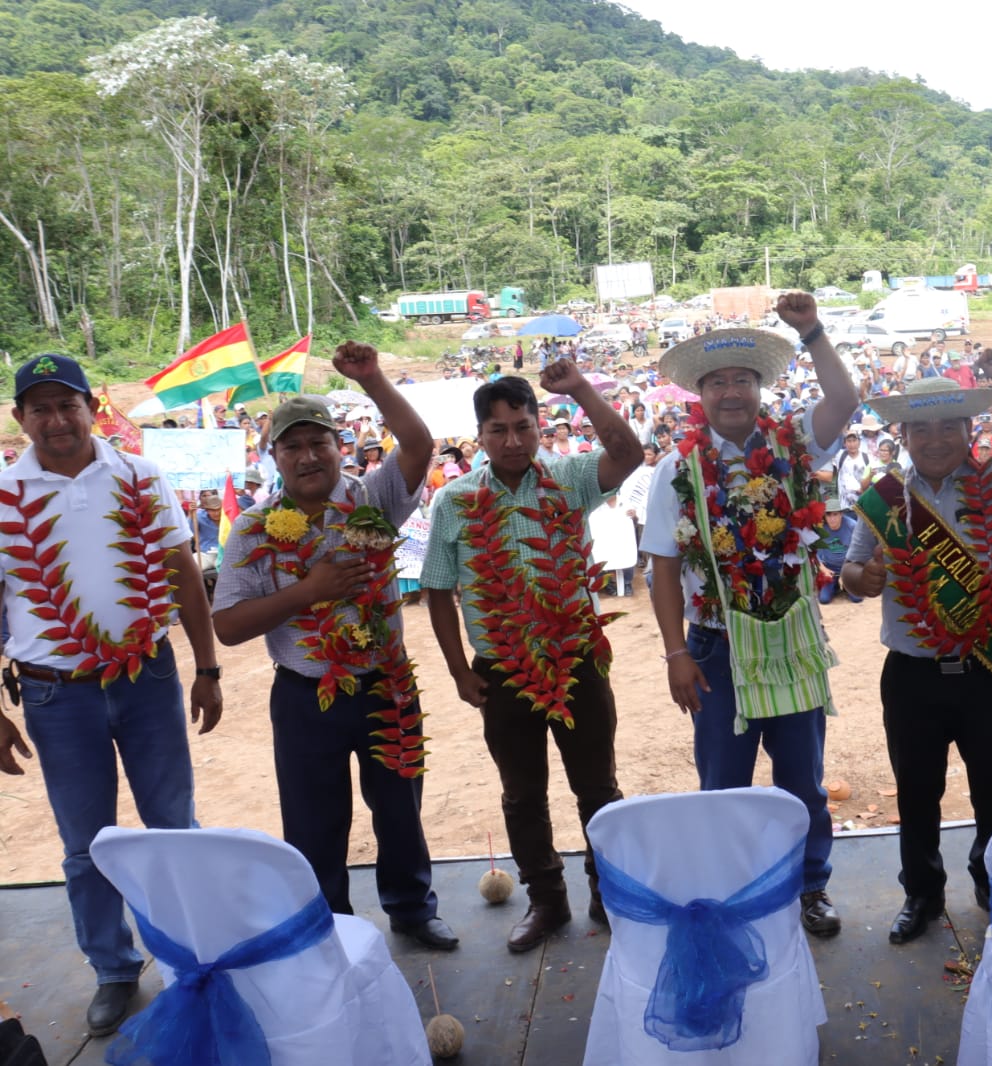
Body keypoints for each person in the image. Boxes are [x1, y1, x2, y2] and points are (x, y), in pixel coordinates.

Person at [0, 353, 223, 1034]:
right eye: (40, 408)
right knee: (85, 843)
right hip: (54, 695)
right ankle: (114, 969)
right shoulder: (3, 494)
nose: (56, 420)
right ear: (20, 418)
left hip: (147, 678)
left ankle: (195, 955)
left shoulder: (140, 475)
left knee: (174, 825)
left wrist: (208, 667)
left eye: (67, 404)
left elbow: (183, 570)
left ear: (92, 409)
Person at [212, 342, 458, 952]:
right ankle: (328, 928)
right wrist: (308, 591)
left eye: (318, 442)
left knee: (399, 808)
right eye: (291, 446)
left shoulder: (371, 499)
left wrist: (372, 379)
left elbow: (418, 445)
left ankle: (412, 909)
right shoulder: (252, 529)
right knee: (314, 821)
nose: (307, 456)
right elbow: (229, 626)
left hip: (385, 684)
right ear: (273, 457)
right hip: (305, 696)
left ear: (338, 445)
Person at [643, 295, 856, 939]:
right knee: (723, 785)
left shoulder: (795, 444)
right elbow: (663, 568)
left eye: (742, 379)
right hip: (715, 648)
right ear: (700, 394)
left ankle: (810, 887)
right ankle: (730, 893)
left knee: (803, 784)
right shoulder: (676, 469)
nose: (731, 392)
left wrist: (811, 331)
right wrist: (676, 653)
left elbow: (845, 400)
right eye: (717, 382)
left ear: (760, 389)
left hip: (791, 637)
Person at [422, 369, 641, 951]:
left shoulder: (570, 477)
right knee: (521, 795)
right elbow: (438, 590)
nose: (513, 441)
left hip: (576, 661)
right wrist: (458, 671)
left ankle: (610, 893)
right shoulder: (454, 499)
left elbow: (628, 453)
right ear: (478, 436)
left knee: (598, 787)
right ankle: (546, 900)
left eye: (523, 427)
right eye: (498, 430)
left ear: (540, 427)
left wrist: (581, 391)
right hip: (501, 671)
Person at [841, 355, 992, 944]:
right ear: (903, 435)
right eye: (921, 429)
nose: (935, 440)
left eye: (948, 427)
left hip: (990, 670)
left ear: (969, 430)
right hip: (912, 673)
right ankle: (921, 893)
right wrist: (864, 578)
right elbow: (851, 570)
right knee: (917, 792)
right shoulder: (884, 497)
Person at [815, 498, 860, 605]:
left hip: (848, 566)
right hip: (829, 568)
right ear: (824, 516)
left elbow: (860, 550)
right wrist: (824, 569)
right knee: (824, 599)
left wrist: (852, 570)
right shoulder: (820, 529)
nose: (832, 519)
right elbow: (814, 553)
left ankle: (846, 586)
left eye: (835, 514)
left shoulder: (852, 526)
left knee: (857, 598)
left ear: (841, 514)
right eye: (828, 515)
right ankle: (834, 586)